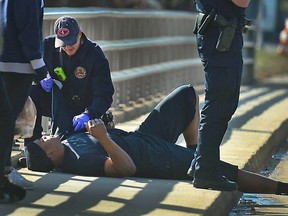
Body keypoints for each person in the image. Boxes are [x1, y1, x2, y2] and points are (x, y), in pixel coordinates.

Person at [26, 85, 288, 196]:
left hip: (143, 137)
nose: (45, 136)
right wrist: (104, 138)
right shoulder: (79, 161)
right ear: (50, 155)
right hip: (154, 159)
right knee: (220, 169)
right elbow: (125, 168)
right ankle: (282, 190)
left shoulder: (67, 140)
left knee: (186, 94)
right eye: (42, 142)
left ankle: (195, 155)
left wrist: (105, 129)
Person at [187, 0, 252, 191]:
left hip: (222, 33)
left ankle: (202, 162)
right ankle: (205, 171)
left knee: (224, 102)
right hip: (220, 35)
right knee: (220, 102)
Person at [24, 16, 114, 146]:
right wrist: (40, 76)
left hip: (81, 110)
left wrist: (89, 114)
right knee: (32, 93)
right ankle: (32, 145)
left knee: (67, 144)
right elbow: (29, 63)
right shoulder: (48, 46)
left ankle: (102, 122)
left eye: (71, 42)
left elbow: (104, 95)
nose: (67, 47)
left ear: (80, 34)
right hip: (56, 102)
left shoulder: (95, 55)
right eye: (63, 44)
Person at [0, 0, 48, 202]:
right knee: (5, 121)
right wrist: (40, 66)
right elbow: (27, 29)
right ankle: (3, 174)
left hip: (7, 61)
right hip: (17, 65)